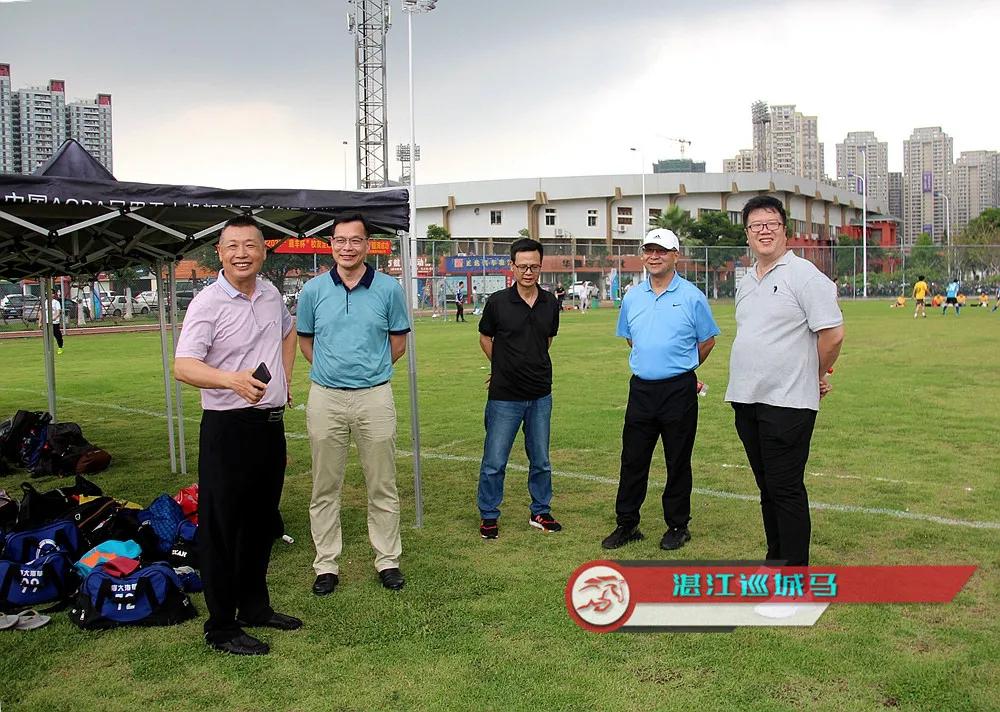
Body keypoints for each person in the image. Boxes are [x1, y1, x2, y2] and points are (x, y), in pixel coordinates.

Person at [174, 214, 300, 656]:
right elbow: (183, 365)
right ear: (220, 253)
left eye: (250, 245)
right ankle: (221, 626)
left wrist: (284, 382)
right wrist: (231, 380)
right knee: (223, 529)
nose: (242, 253)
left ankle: (255, 607)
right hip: (227, 430)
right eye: (232, 246)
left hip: (269, 427)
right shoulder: (208, 303)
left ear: (264, 251)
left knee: (261, 523)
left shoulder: (270, 295)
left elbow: (288, 332)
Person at [725, 195, 844, 567]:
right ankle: (776, 560)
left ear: (784, 230)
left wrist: (815, 374)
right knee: (767, 489)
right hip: (747, 399)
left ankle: (793, 575)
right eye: (756, 225)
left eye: (771, 224)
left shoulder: (804, 276)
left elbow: (833, 334)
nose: (764, 231)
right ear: (747, 233)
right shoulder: (746, 281)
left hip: (788, 403)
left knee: (786, 488)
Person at [297, 214, 411, 594]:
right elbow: (306, 342)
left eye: (355, 240)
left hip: (375, 396)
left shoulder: (389, 289)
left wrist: (368, 373)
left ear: (367, 245)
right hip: (325, 397)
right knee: (324, 486)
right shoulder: (312, 291)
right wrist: (334, 373)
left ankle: (387, 560)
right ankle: (326, 564)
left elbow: (398, 344)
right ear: (331, 244)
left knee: (382, 483)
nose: (347, 247)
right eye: (340, 240)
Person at [602, 228, 720, 551]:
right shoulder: (632, 297)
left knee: (677, 460)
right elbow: (631, 338)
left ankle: (678, 526)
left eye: (661, 251)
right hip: (641, 390)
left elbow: (707, 341)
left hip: (678, 390)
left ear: (675, 256)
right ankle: (627, 523)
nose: (654, 256)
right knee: (633, 459)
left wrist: (683, 366)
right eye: (648, 250)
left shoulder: (692, 297)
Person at [477, 238, 561, 540]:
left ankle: (541, 510)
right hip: (504, 396)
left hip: (540, 394)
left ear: (540, 266)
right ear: (512, 266)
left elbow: (546, 339)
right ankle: (489, 515)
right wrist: (501, 366)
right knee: (494, 461)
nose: (528, 271)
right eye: (522, 266)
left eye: (534, 266)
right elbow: (485, 338)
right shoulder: (498, 302)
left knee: (541, 459)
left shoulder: (550, 302)